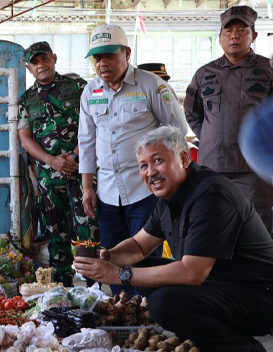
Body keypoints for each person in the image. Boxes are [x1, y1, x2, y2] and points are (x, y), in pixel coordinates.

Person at [74, 126, 273, 352]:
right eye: (143, 165)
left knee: (165, 303)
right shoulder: (170, 195)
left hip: (259, 296)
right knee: (139, 268)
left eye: (158, 161)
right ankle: (227, 346)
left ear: (184, 159)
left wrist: (117, 275)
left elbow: (193, 272)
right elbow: (138, 246)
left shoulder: (210, 195)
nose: (150, 172)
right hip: (222, 285)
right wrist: (109, 256)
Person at [77, 24, 189, 294]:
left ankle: (150, 314)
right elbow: (86, 142)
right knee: (112, 257)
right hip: (106, 192)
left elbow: (178, 131)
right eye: (97, 58)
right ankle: (122, 313)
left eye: (109, 55)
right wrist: (88, 187)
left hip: (146, 189)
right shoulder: (90, 92)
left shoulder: (152, 85)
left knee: (145, 256)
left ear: (126, 53)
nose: (102, 63)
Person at [184, 5, 273, 232]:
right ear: (220, 37)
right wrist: (212, 138)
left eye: (242, 30)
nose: (234, 36)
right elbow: (192, 112)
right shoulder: (205, 73)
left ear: (253, 35)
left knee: (256, 228)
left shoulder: (267, 70)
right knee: (211, 225)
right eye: (228, 31)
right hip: (213, 165)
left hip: (254, 169)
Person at [17, 41, 99, 286]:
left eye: (44, 59)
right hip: (48, 175)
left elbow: (93, 123)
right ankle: (62, 286)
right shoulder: (26, 99)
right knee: (55, 230)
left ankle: (93, 283)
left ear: (54, 57)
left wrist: (74, 156)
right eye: (35, 62)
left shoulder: (78, 86)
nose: (41, 65)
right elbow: (25, 138)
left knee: (88, 225)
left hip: (82, 170)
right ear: (29, 68)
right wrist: (53, 161)